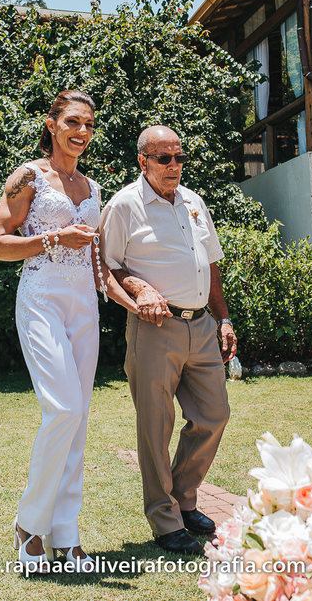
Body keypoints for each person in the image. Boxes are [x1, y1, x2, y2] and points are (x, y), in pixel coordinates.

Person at [0, 89, 133, 574]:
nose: (82, 132)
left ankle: (66, 535)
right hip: (42, 299)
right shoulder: (28, 176)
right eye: (73, 122)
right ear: (51, 124)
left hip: (83, 307)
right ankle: (29, 525)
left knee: (80, 416)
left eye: (89, 125)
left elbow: (97, 264)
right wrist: (51, 238)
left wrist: (132, 299)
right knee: (63, 408)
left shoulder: (93, 189)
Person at [99, 125, 237, 556]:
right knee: (155, 428)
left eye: (178, 157)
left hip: (201, 326)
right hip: (154, 329)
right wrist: (139, 289)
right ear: (143, 161)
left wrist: (224, 319)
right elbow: (105, 267)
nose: (174, 165)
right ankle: (164, 519)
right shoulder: (124, 206)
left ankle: (184, 499)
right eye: (164, 158)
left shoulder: (194, 201)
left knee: (214, 416)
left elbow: (210, 263)